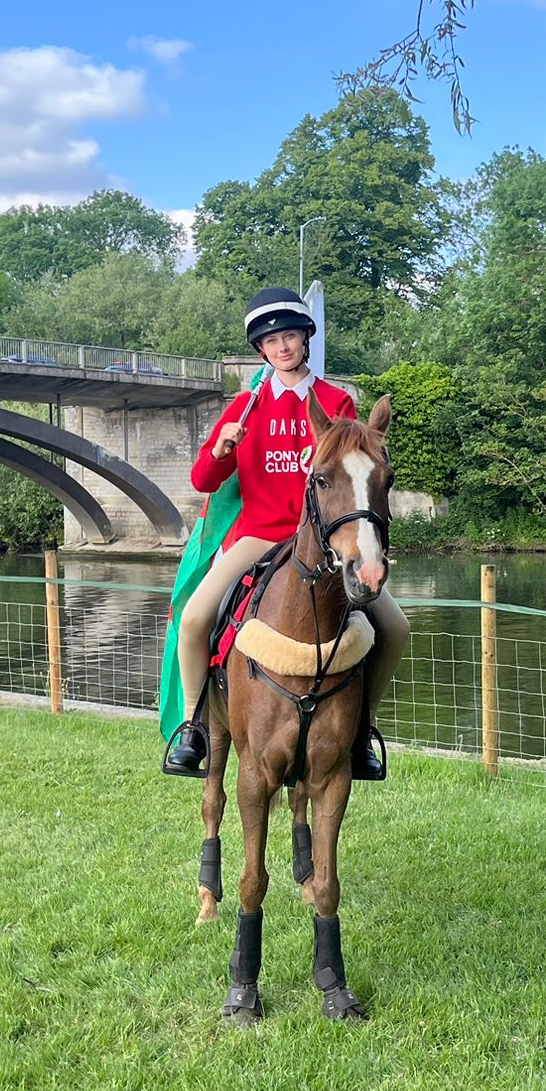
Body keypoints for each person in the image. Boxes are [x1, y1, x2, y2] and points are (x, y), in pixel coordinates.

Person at [161, 287, 407, 779]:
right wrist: (221, 449)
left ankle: (362, 730)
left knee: (396, 628)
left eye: (290, 336)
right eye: (271, 341)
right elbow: (203, 481)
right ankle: (193, 728)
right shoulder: (244, 407)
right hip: (259, 535)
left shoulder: (337, 402)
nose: (282, 347)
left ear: (305, 339)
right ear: (261, 350)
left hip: (323, 543)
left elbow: (355, 479)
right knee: (194, 619)